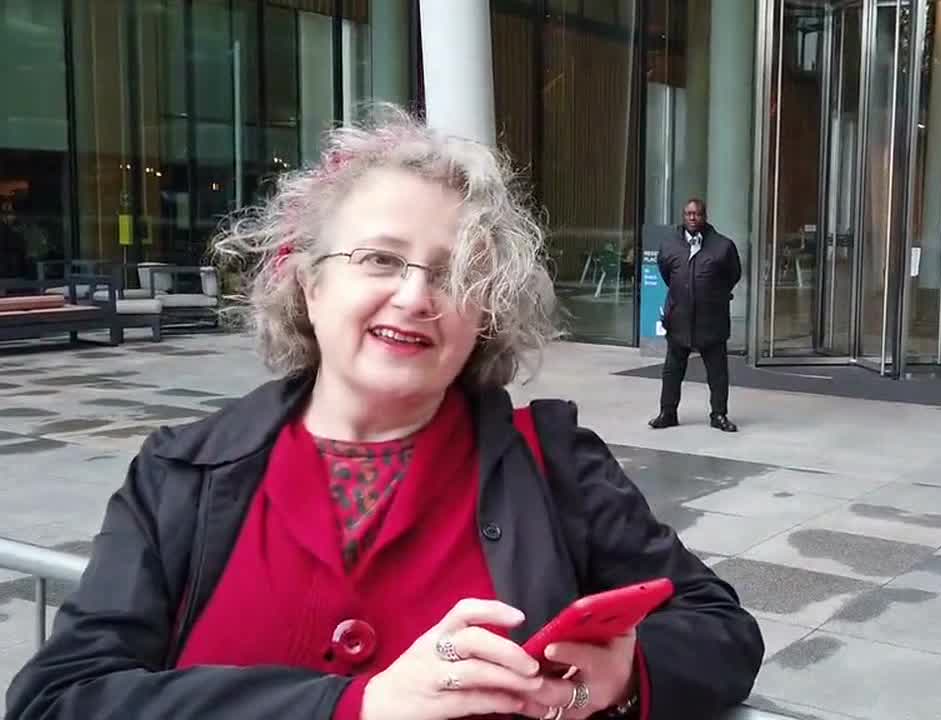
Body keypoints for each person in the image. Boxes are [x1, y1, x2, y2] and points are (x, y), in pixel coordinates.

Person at [4, 105, 763, 720]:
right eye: (378, 259)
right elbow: (58, 699)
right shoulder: (180, 474)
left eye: (454, 275)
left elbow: (721, 629)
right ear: (308, 285)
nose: (414, 296)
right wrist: (355, 707)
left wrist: (627, 673)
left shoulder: (556, 461)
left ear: (486, 317)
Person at [649, 199, 742, 433]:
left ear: (705, 216)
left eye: (697, 214)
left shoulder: (723, 246)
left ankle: (718, 414)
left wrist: (712, 294)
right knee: (672, 370)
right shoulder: (670, 245)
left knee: (718, 373)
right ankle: (667, 413)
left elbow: (733, 274)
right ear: (683, 216)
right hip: (679, 318)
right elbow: (666, 272)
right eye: (689, 214)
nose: (692, 218)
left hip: (711, 319)